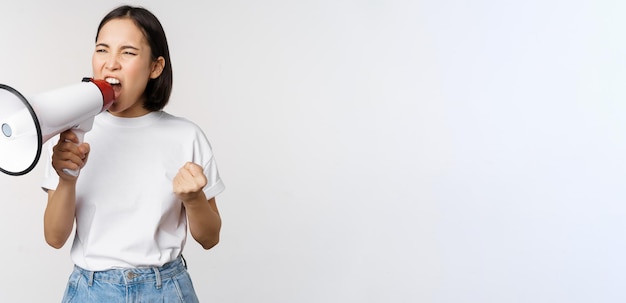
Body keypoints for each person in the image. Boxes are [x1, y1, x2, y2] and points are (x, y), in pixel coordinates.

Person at [41, 5, 224, 302]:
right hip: (90, 292)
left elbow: (210, 237)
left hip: (165, 290)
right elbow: (54, 237)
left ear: (155, 67)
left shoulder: (187, 136)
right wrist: (67, 179)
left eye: (127, 52)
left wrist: (193, 199)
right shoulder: (71, 135)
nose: (110, 63)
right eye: (102, 49)